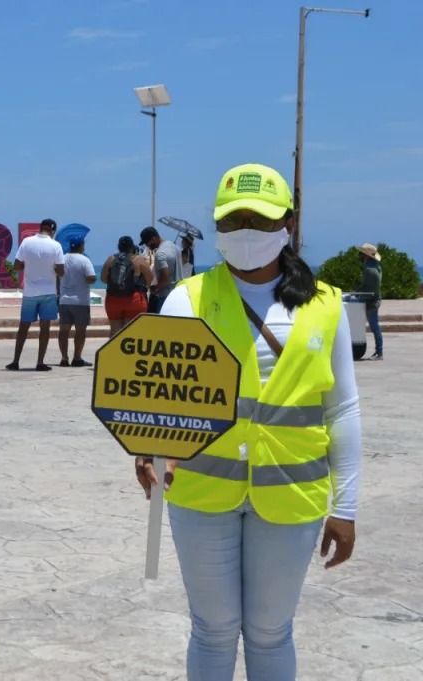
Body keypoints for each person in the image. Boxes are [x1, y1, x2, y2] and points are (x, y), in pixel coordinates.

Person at [136, 163, 361, 681]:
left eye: (258, 221)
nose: (245, 232)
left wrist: (345, 507)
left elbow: (342, 409)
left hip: (291, 497)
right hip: (200, 493)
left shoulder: (326, 305)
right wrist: (145, 451)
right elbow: (154, 392)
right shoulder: (186, 299)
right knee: (213, 629)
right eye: (232, 220)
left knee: (270, 631)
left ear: (288, 223)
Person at [6, 218, 65, 371]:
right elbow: (61, 271)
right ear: (52, 230)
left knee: (23, 326)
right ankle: (40, 362)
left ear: (40, 228)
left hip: (30, 291)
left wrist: (31, 265)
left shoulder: (26, 242)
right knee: (45, 327)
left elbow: (17, 266)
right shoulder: (56, 245)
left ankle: (15, 361)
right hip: (48, 292)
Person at [100, 236, 155, 337]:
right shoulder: (138, 260)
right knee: (131, 333)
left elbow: (103, 279)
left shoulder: (111, 259)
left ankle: (113, 352)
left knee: (115, 332)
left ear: (119, 246)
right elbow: (150, 279)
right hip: (134, 299)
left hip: (113, 299)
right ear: (132, 247)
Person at [56, 235, 97, 367]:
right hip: (80, 301)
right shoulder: (85, 260)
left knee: (63, 330)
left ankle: (64, 358)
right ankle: (77, 357)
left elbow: (57, 275)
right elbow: (91, 277)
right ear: (81, 246)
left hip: (64, 300)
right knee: (80, 331)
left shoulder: (62, 258)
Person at [139, 225, 184, 313]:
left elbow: (164, 277)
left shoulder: (160, 254)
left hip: (165, 296)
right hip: (178, 293)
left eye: (147, 242)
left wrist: (156, 288)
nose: (147, 245)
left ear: (153, 238)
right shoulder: (174, 246)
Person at [356, 242, 383, 360]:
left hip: (371, 301)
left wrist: (357, 293)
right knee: (375, 326)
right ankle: (379, 351)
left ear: (366, 256)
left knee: (374, 326)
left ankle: (379, 352)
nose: (360, 255)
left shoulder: (368, 270)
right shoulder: (377, 267)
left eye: (362, 253)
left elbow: (367, 287)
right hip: (376, 299)